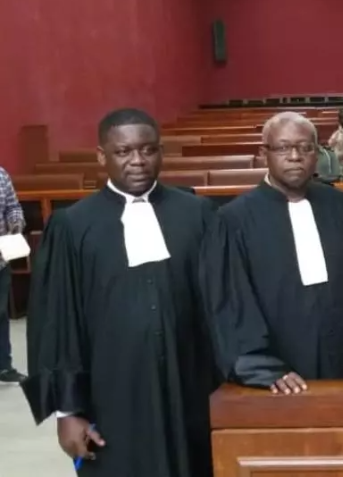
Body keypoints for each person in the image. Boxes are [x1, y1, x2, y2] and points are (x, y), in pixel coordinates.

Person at [21, 108, 218, 477]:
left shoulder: (198, 214)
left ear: (161, 152)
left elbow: (224, 304)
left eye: (147, 150)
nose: (137, 161)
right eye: (123, 152)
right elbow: (57, 322)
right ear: (102, 156)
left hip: (190, 386)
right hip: (111, 393)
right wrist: (67, 411)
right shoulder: (72, 225)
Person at [201, 112, 343, 396]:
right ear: (264, 153)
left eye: (305, 147)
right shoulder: (233, 219)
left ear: (317, 153)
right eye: (283, 147)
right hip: (279, 366)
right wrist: (262, 367)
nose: (295, 156)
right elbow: (232, 303)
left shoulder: (341, 205)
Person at [0, 166, 25, 384]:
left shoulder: (1, 175)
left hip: (1, 259)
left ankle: (4, 367)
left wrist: (16, 223)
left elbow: (12, 207)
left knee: (1, 314)